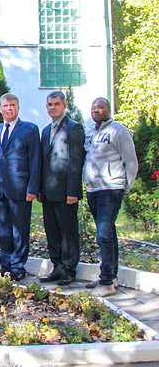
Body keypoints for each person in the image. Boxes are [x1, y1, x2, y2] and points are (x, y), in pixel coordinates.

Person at [84, 97, 138, 297]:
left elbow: (130, 160)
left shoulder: (119, 131)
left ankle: (106, 282)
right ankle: (111, 276)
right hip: (93, 189)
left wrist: (127, 186)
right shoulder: (89, 132)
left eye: (100, 107)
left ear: (109, 109)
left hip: (111, 187)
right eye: (93, 107)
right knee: (107, 233)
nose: (96, 110)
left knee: (103, 234)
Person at [0, 93, 41, 281]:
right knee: (3, 230)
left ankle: (18, 266)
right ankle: (6, 265)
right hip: (0, 189)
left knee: (20, 229)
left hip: (21, 189)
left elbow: (35, 160)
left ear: (18, 107)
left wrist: (32, 188)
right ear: (0, 109)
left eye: (12, 105)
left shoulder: (29, 129)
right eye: (5, 105)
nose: (9, 108)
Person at [38, 91, 85, 286]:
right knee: (52, 232)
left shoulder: (74, 128)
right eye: (49, 104)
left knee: (68, 232)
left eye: (56, 104)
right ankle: (57, 267)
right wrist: (40, 189)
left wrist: (73, 191)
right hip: (48, 192)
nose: (52, 108)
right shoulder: (46, 130)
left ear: (65, 106)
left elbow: (76, 162)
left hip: (66, 192)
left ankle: (69, 269)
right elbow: (43, 162)